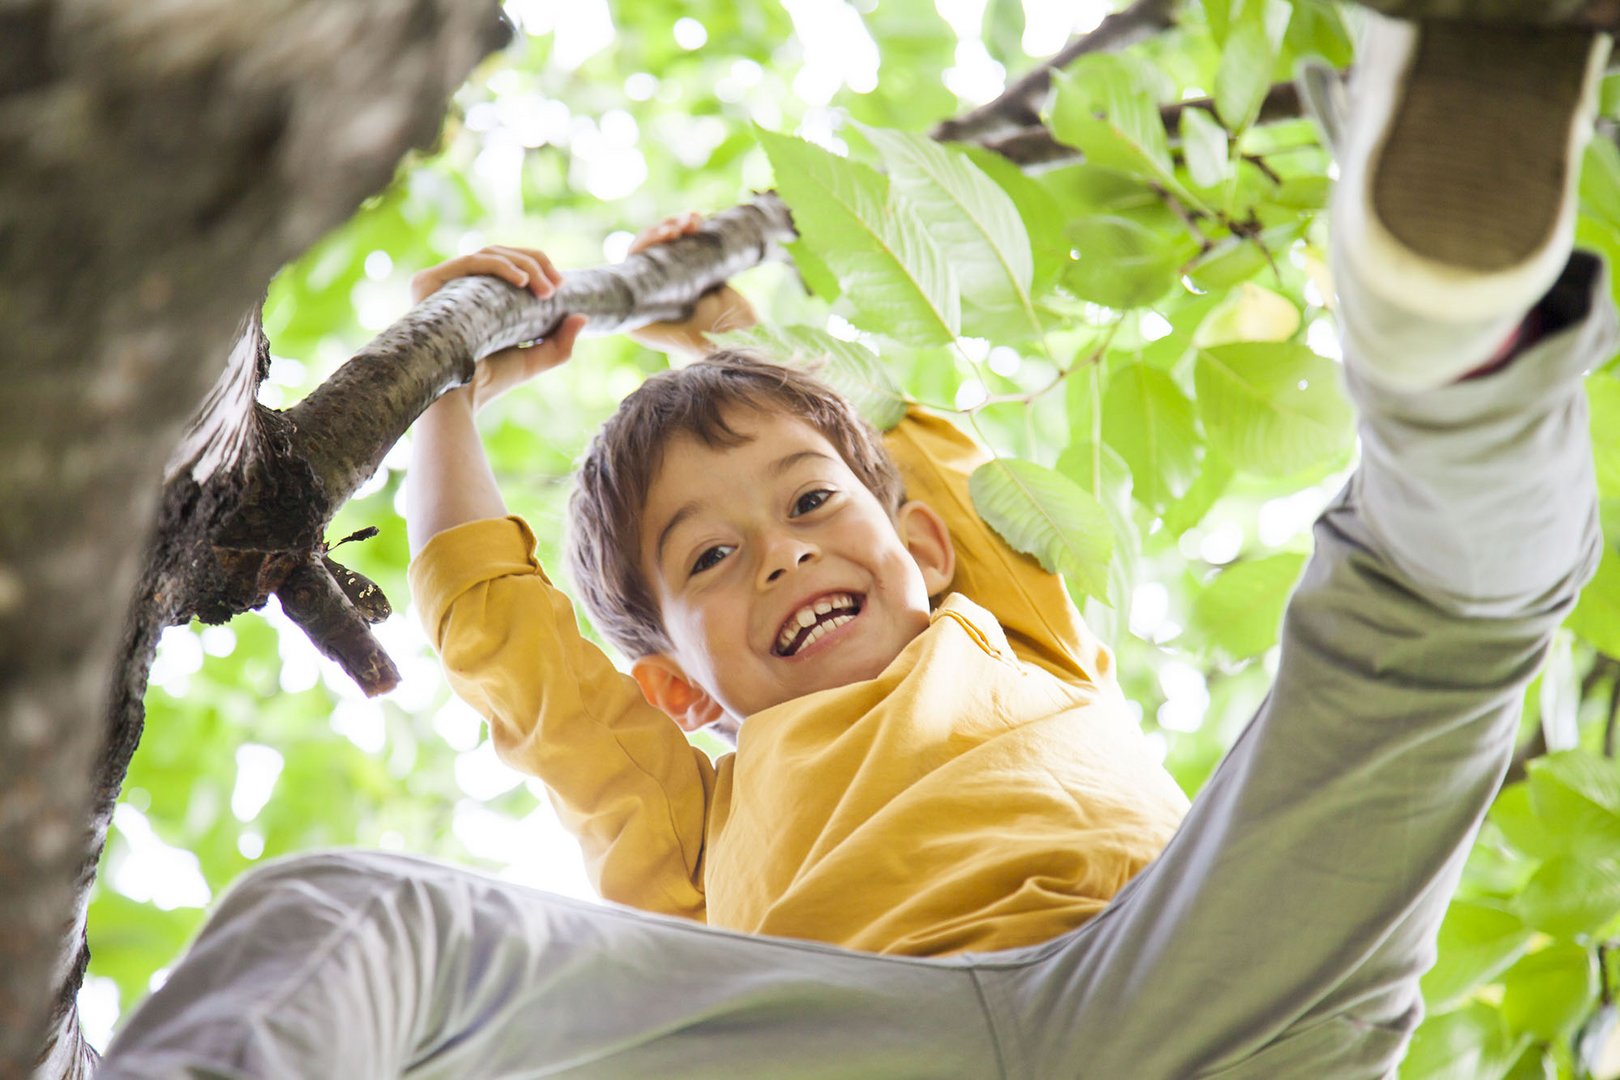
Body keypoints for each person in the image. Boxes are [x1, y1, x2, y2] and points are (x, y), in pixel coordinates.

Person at [100, 7, 1616, 1077]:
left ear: (926, 546)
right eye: (705, 561)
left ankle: (1452, 329)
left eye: (811, 507)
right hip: (841, 1037)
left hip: (1189, 979)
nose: (777, 555)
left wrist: (754, 332)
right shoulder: (689, 817)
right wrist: (446, 401)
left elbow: (902, 448)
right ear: (683, 693)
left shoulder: (1018, 629)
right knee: (354, 916)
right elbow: (515, 654)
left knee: (1419, 640)